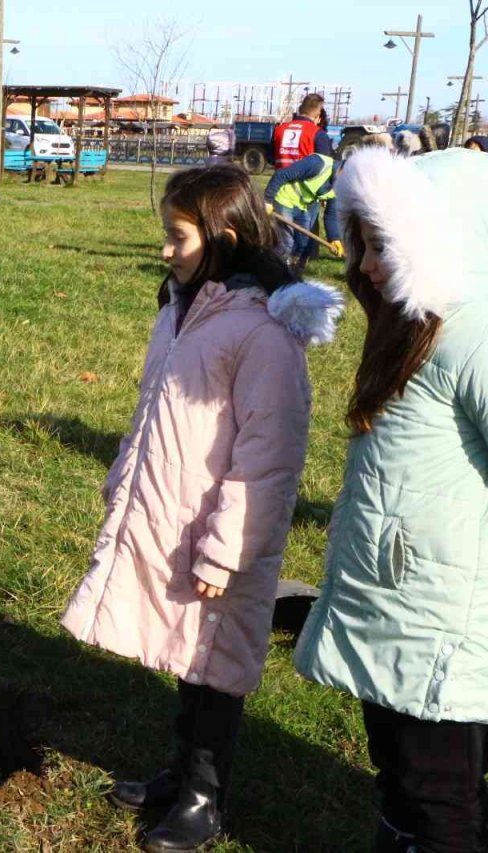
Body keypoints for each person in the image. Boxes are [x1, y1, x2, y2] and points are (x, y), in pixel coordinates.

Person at [60, 165, 343, 852]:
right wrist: (125, 477)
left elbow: (269, 457)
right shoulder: (183, 310)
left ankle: (204, 797)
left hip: (224, 535)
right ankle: (178, 770)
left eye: (177, 237)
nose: (165, 250)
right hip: (173, 513)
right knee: (189, 655)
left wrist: (227, 548)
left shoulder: (262, 335)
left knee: (217, 663)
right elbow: (153, 409)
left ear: (226, 237)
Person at [294, 147, 488, 853]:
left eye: (385, 246)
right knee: (402, 775)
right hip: (397, 602)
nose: (368, 264)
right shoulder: (414, 326)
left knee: (441, 796)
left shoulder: (474, 337)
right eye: (364, 244)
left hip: (444, 623)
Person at [263, 151, 343, 274]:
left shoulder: (340, 185)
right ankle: (273, 272)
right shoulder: (318, 163)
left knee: (303, 244)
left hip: (303, 206)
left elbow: (331, 214)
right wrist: (268, 200)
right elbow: (282, 174)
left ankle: (291, 272)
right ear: (342, 168)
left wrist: (334, 238)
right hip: (285, 199)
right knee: (287, 243)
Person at [273, 93, 334, 169]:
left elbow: (271, 158)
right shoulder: (317, 133)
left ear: (300, 109)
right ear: (318, 113)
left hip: (280, 176)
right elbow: (326, 165)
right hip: (307, 176)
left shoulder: (279, 130)